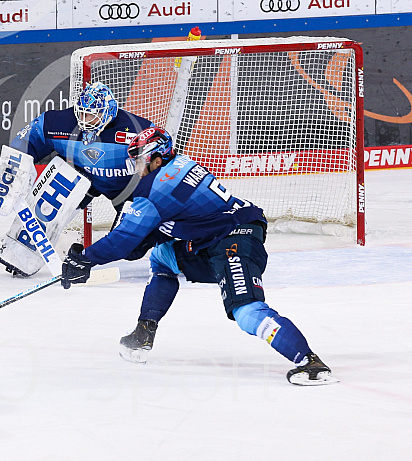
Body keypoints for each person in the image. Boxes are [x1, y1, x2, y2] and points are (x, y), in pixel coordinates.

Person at [60, 127, 337, 386]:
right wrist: (134, 243)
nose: (137, 168)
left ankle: (311, 364)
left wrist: (85, 258)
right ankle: (144, 332)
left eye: (140, 160)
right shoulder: (178, 166)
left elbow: (124, 242)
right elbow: (162, 230)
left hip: (233, 241)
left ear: (157, 159)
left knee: (246, 312)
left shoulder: (157, 188)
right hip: (213, 241)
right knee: (162, 257)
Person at [0, 81, 155, 277]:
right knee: (49, 200)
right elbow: (27, 142)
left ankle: (173, 245)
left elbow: (158, 168)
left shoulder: (138, 130)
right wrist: (12, 172)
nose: (84, 120)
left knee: (129, 248)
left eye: (91, 115)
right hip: (79, 177)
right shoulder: (57, 122)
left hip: (127, 189)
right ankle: (21, 252)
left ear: (109, 113)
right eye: (82, 113)